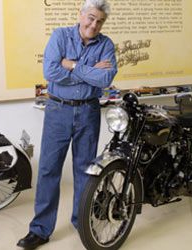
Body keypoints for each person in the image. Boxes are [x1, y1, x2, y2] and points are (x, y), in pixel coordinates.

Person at [17, 0, 117, 248]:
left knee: (85, 171)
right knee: (49, 170)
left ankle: (81, 222)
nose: (94, 25)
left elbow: (104, 78)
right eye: (91, 18)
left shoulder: (106, 44)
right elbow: (50, 72)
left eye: (100, 21)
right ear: (81, 14)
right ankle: (40, 229)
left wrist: (71, 65)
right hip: (57, 110)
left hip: (88, 112)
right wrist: (88, 71)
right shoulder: (60, 36)